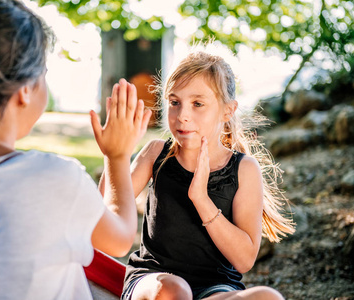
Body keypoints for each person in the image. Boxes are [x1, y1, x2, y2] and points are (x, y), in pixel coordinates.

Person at [0, 0, 151, 299]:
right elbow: (121, 239)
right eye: (43, 71)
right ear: (24, 89)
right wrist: (117, 155)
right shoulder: (51, 178)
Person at [99, 49, 295, 300]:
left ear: (227, 111)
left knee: (268, 297)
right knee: (175, 290)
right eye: (174, 102)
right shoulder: (156, 154)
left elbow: (245, 260)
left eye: (197, 104)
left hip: (214, 288)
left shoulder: (244, 169)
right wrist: (114, 154)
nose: (182, 115)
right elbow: (105, 213)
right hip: (154, 281)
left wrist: (201, 199)